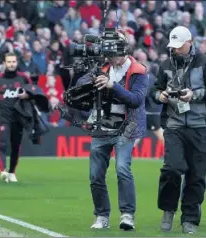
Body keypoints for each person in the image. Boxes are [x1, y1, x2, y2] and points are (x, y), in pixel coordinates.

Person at [80, 32, 148, 230]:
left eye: (112, 54)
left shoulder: (139, 71)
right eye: (107, 54)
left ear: (123, 50)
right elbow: (79, 83)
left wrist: (112, 86)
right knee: (95, 175)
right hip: (102, 125)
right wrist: (90, 83)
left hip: (126, 126)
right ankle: (101, 215)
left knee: (122, 169)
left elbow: (136, 99)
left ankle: (127, 215)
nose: (109, 58)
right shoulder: (102, 67)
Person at [152, 26, 206, 234]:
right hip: (174, 125)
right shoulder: (166, 63)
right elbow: (155, 90)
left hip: (200, 126)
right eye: (172, 46)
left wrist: (194, 94)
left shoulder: (203, 62)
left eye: (179, 46)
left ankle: (190, 218)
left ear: (189, 42)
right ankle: (168, 209)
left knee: (197, 175)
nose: (175, 50)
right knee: (172, 168)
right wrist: (161, 96)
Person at [0, 52, 33, 183]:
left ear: (17, 63)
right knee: (2, 144)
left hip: (19, 118)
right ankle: (3, 170)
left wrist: (27, 96)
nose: (11, 64)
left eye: (13, 62)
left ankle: (12, 172)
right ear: (4, 64)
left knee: (16, 146)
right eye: (9, 62)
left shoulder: (23, 78)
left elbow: (33, 92)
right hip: (4, 117)